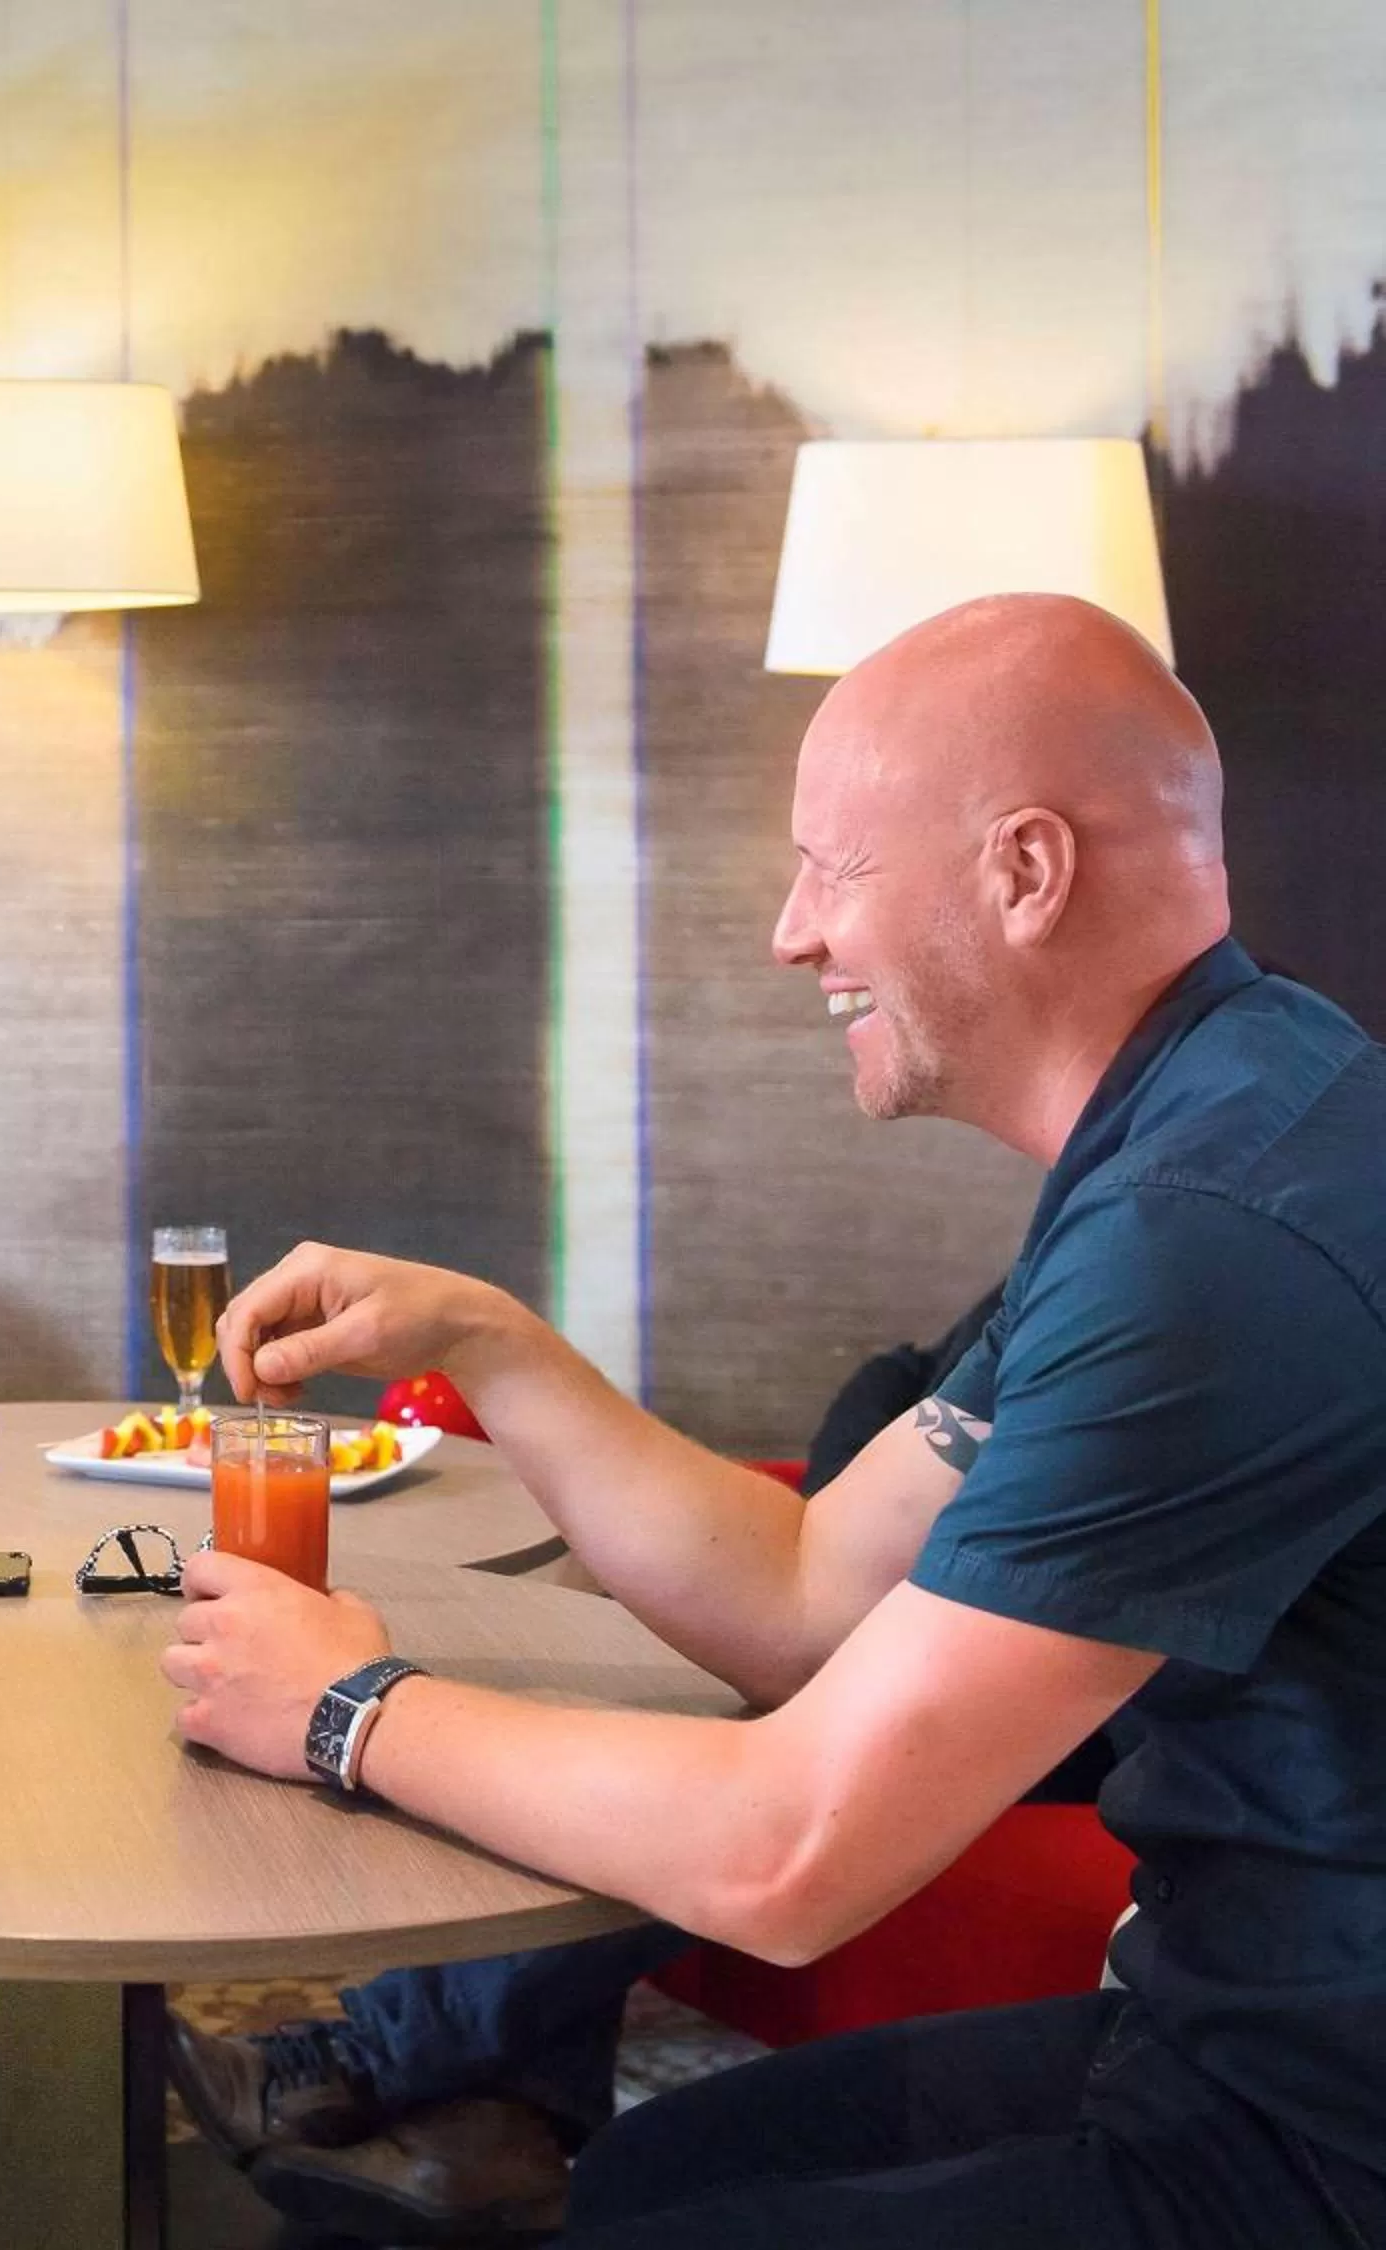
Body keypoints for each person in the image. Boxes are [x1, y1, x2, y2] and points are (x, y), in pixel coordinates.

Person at [169, 594, 1386, 2249]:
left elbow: (792, 1855)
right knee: (649, 2180)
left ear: (1026, 872)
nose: (791, 932)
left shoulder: (1207, 1236)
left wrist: (343, 1710)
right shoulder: (1224, 1104)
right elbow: (812, 1594)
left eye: (835, 866)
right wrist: (494, 1343)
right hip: (1223, 2034)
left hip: (1320, 2132)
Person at [166, 1280, 1009, 2242]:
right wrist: (479, 1330)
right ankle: (490, 2130)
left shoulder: (1166, 1230)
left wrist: (347, 1710)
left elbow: (775, 1842)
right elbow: (886, 1423)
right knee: (631, 2171)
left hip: (1106, 1776)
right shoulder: (1090, 1226)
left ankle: (384, 2062)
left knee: (649, 1732)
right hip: (953, 1614)